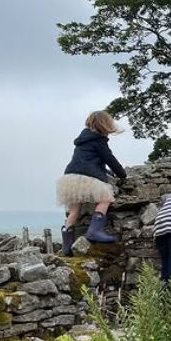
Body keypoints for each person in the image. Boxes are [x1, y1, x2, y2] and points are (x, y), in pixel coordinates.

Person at [57, 110, 127, 256]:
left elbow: (89, 160)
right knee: (105, 198)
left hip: (70, 177)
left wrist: (105, 171)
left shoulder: (82, 140)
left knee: (74, 210)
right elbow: (109, 159)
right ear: (104, 125)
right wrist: (121, 174)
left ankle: (67, 246)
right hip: (88, 177)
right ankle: (94, 231)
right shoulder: (99, 141)